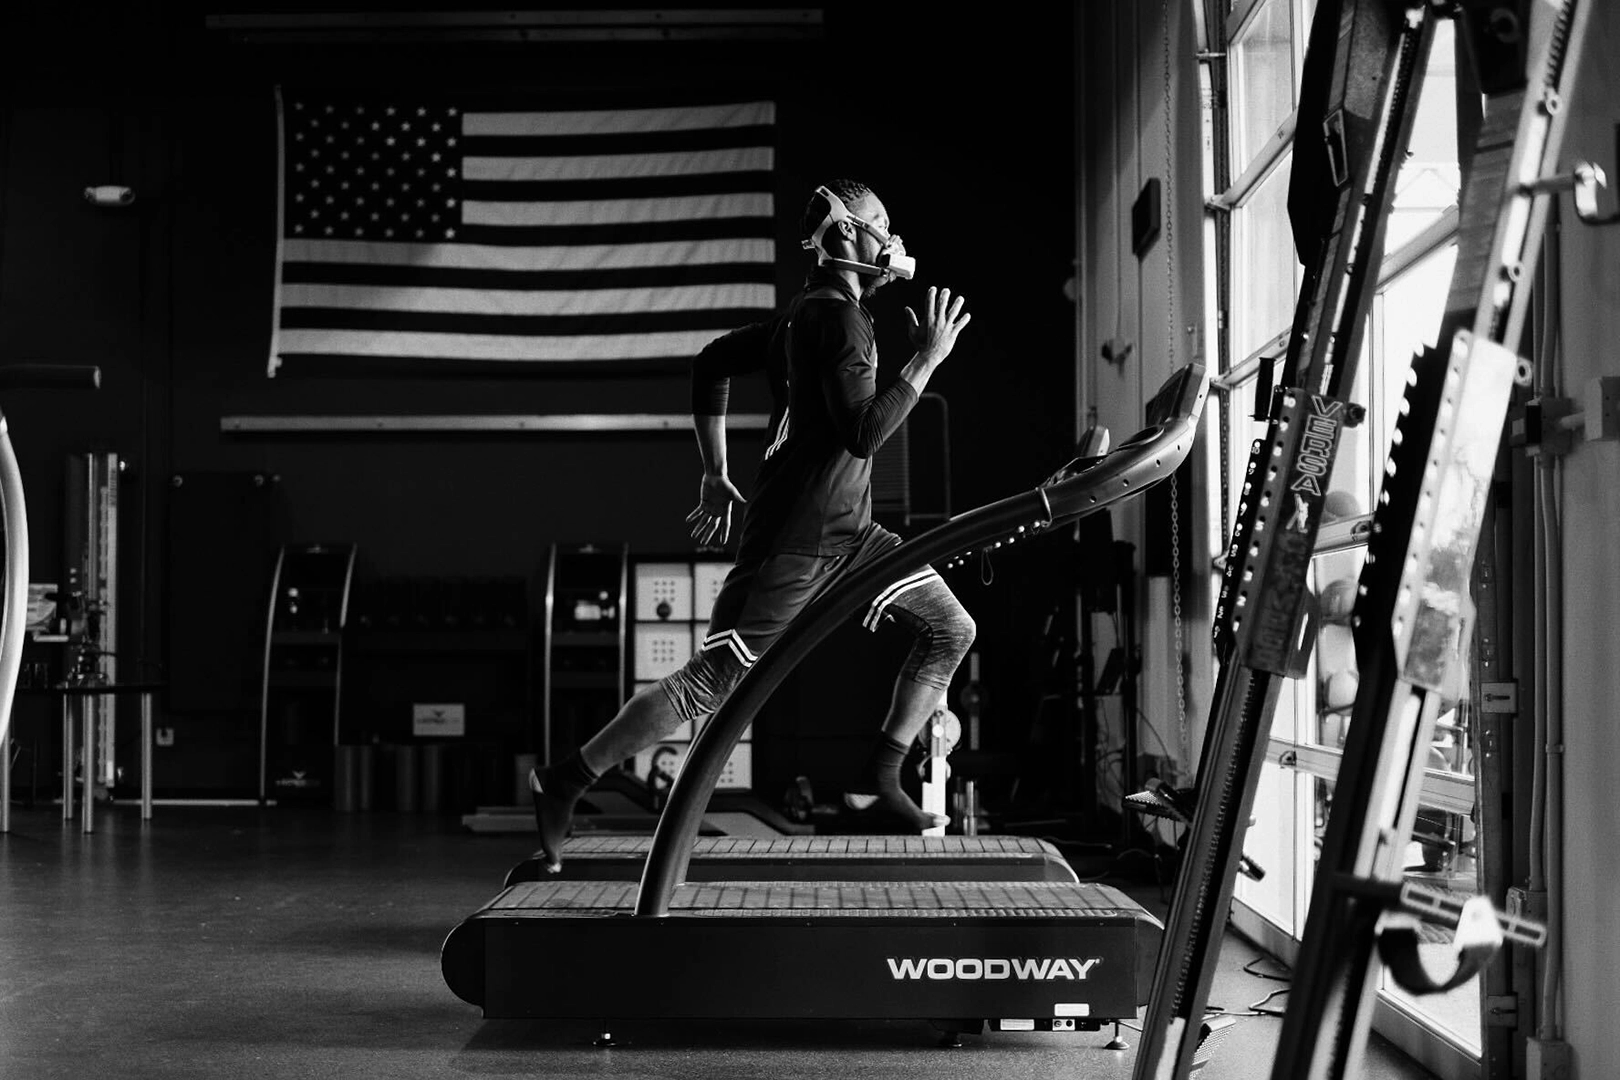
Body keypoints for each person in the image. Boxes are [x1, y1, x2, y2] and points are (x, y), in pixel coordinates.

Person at [530, 178, 976, 873]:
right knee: (711, 685)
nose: (892, 237)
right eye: (880, 222)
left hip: (852, 536)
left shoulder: (808, 315)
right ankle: (567, 778)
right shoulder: (839, 319)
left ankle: (883, 775)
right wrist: (925, 362)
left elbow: (711, 362)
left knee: (952, 627)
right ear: (847, 236)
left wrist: (714, 469)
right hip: (796, 540)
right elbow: (864, 434)